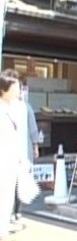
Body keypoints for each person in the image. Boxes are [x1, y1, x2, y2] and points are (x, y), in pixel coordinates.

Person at [0, 69, 31, 241]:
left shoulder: (18, 107)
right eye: (15, 87)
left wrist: (22, 158)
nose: (19, 90)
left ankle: (3, 233)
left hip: (11, 159)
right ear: (4, 89)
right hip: (2, 159)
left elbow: (20, 135)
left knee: (7, 197)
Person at [11, 84, 40, 229]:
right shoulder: (25, 107)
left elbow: (33, 129)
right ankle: (16, 212)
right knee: (19, 182)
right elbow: (33, 129)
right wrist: (35, 146)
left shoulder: (10, 107)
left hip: (15, 151)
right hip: (21, 151)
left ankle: (14, 212)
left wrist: (35, 146)